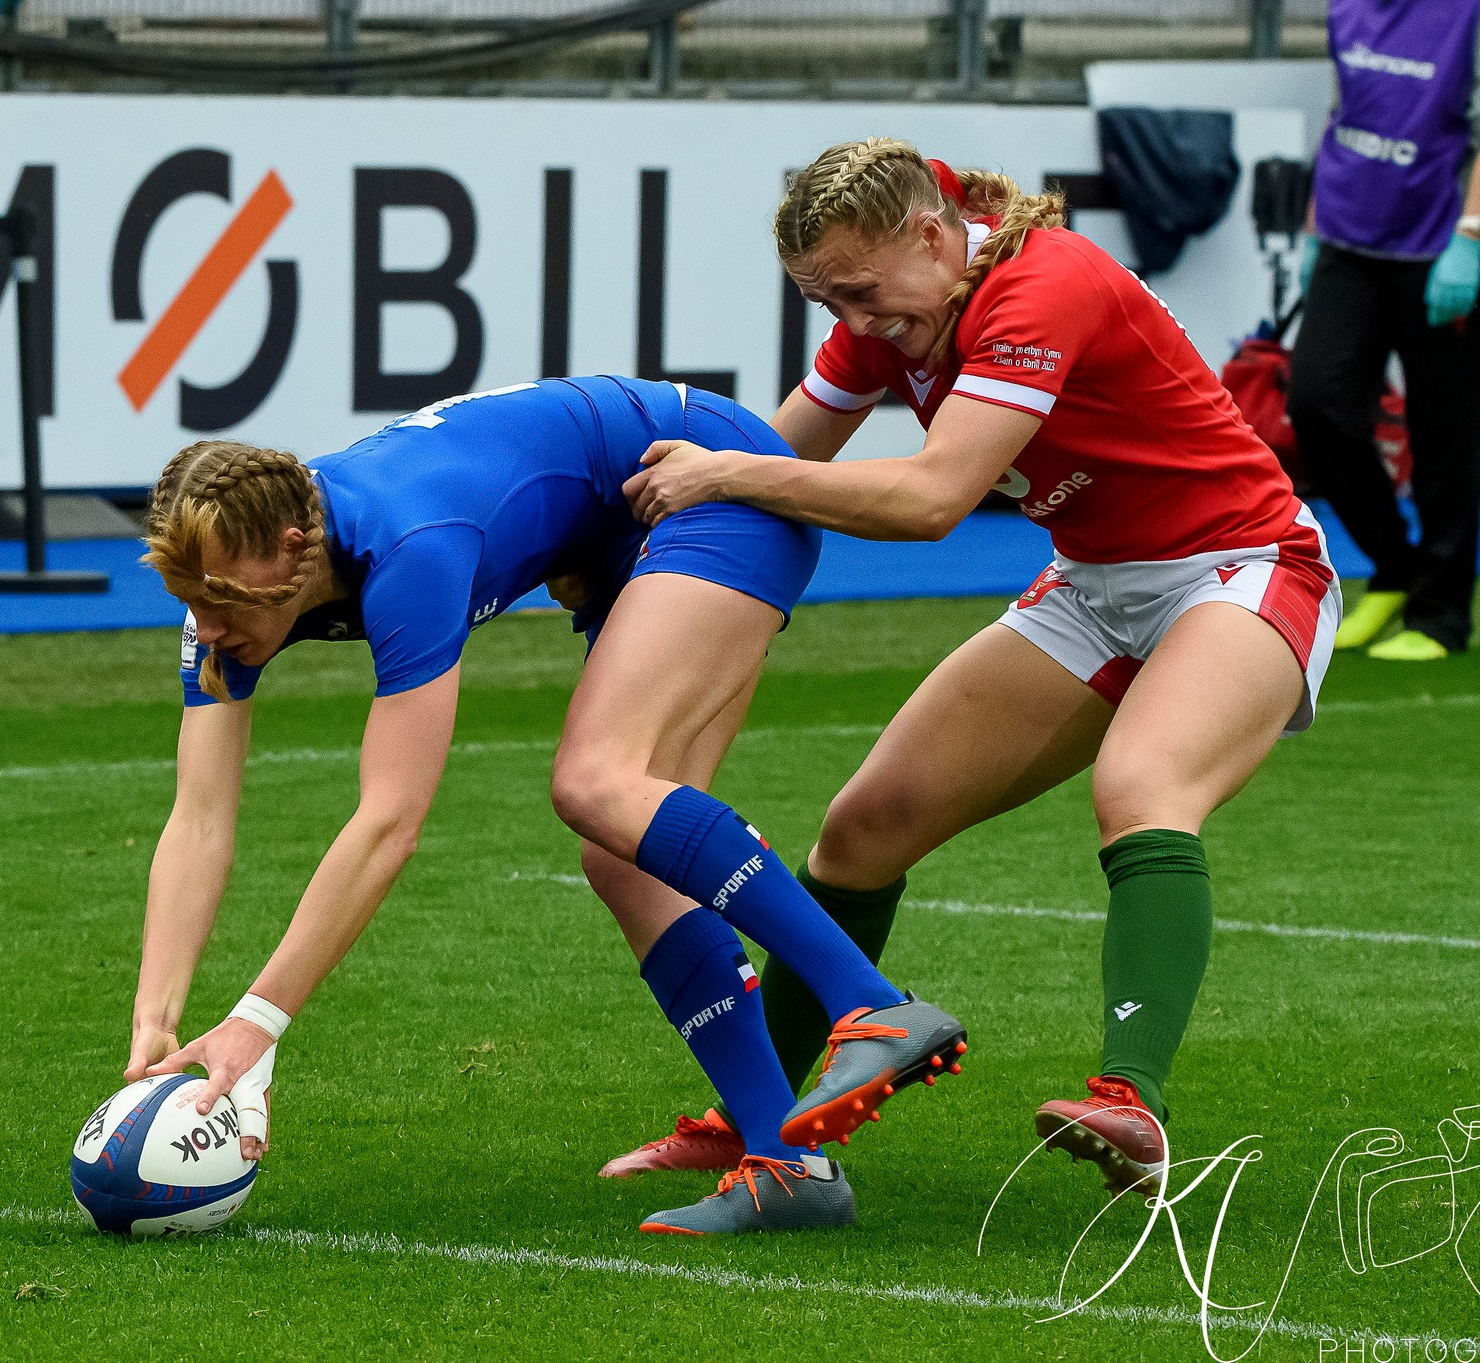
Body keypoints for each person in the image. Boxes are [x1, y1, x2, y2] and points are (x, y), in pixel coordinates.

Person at [613, 138, 1341, 1198]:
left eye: (860, 293)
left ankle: (1130, 1102)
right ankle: (757, 1121)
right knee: (861, 831)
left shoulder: (1040, 287)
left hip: (1242, 565)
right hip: (1093, 584)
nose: (854, 321)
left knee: (1143, 787)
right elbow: (779, 453)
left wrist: (724, 475)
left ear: (929, 233)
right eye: (829, 301)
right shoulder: (899, 307)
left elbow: (929, 499)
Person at [123, 377, 966, 1236]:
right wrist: (157, 1017)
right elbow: (199, 817)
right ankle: (788, 1165)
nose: (206, 626)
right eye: (190, 601)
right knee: (624, 856)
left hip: (708, 478)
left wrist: (258, 1021)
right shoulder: (228, 595)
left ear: (292, 547)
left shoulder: (410, 547)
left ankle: (871, 1004)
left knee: (595, 782)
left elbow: (389, 824)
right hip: (613, 527)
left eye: (221, 602)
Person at [1287, 0, 1480, 661]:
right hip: (1351, 235)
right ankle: (1396, 564)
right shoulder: (1348, 6)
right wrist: (1315, 225)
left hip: (1445, 236)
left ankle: (1440, 613)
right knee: (1316, 401)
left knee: (1446, 432)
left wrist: (1472, 237)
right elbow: (1342, 114)